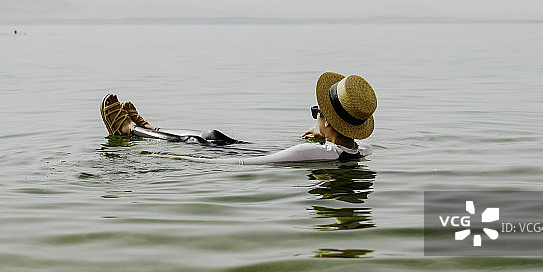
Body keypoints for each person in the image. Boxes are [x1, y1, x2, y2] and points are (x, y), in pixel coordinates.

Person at [100, 72, 377, 164]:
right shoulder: (361, 150)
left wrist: (182, 161)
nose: (316, 118)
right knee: (213, 136)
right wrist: (325, 134)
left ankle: (130, 129)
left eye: (317, 114)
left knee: (201, 140)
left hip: (257, 155)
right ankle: (149, 128)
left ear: (329, 121)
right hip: (275, 147)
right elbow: (348, 144)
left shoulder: (312, 152)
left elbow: (249, 163)